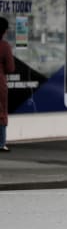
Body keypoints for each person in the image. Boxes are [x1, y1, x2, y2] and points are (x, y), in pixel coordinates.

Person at [0, 17, 15, 152]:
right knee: (1, 112)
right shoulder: (4, 46)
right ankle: (1, 143)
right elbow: (10, 68)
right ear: (4, 31)